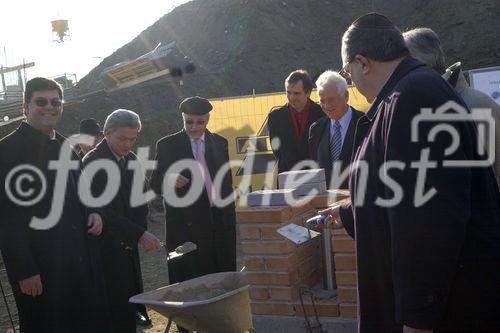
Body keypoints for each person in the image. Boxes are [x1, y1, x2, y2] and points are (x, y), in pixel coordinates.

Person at [320, 13, 500, 332]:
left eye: (348, 73)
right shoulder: (404, 93)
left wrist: (418, 317)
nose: (352, 82)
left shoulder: (415, 97)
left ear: (363, 62)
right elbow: (398, 190)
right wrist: (349, 211)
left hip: (447, 309)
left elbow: (431, 219)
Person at [0, 77, 111, 332]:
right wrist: (24, 269)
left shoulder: (67, 146)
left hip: (80, 262)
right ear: (26, 107)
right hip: (41, 268)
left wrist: (95, 213)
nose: (50, 107)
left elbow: (86, 193)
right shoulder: (6, 152)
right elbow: (6, 218)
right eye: (41, 102)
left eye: (56, 102)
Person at [150, 96, 237, 333]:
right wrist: (169, 180)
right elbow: (155, 184)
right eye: (189, 122)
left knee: (220, 281)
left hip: (218, 225)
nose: (194, 128)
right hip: (186, 229)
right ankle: (187, 328)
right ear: (182, 119)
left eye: (199, 122)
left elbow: (225, 182)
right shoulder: (167, 145)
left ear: (208, 119)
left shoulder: (219, 142)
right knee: (188, 284)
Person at [82, 109, 161, 332]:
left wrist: (138, 232)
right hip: (105, 248)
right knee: (113, 307)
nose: (128, 144)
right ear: (107, 133)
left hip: (128, 245)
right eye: (122, 139)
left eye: (133, 139)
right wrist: (138, 234)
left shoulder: (131, 159)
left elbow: (141, 201)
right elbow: (104, 211)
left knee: (130, 299)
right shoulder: (92, 163)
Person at [403, 27, 500, 189]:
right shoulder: (434, 103)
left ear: (419, 63)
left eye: (403, 63)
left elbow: (485, 179)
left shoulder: (475, 106)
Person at [308, 70, 364, 189]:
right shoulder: (316, 129)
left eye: (331, 100)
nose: (327, 106)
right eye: (322, 101)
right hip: (327, 203)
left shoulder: (365, 123)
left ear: (346, 96)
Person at [267, 70, 324, 173]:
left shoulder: (322, 114)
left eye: (297, 93)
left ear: (308, 93)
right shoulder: (275, 118)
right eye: (288, 92)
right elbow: (277, 152)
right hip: (287, 177)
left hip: (316, 175)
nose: (292, 97)